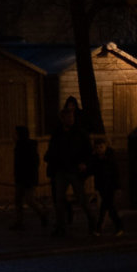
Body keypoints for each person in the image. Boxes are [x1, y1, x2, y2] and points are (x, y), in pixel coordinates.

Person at [44, 99, 92, 236]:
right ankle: (61, 227)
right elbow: (53, 149)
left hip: (74, 169)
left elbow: (87, 150)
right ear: (63, 119)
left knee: (81, 199)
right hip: (62, 169)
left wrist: (84, 163)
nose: (70, 119)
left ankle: (91, 222)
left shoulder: (79, 133)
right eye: (68, 117)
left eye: (72, 117)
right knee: (59, 200)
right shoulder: (58, 134)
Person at [8, 123, 51, 230]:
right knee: (18, 201)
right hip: (21, 178)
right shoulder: (19, 146)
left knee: (30, 200)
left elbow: (34, 163)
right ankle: (19, 222)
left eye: (15, 134)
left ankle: (42, 214)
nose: (13, 136)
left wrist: (29, 177)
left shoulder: (27, 147)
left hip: (27, 178)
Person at [89, 136, 124, 235]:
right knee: (107, 207)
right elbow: (94, 172)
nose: (100, 149)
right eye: (97, 147)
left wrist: (117, 187)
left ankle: (100, 228)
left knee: (106, 207)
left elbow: (115, 173)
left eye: (101, 147)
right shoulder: (96, 159)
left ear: (105, 147)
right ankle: (118, 226)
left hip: (110, 186)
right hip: (102, 186)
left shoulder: (110, 158)